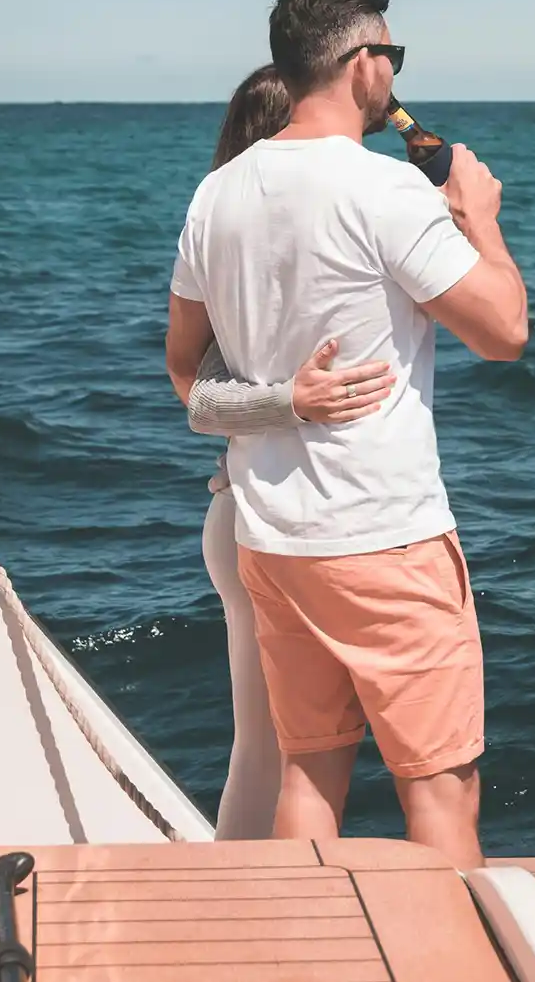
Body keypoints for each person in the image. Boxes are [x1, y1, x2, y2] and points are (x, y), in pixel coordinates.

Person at [165, 0, 528, 870]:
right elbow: (505, 330)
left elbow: (184, 364)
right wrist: (481, 222)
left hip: (274, 539)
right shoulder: (385, 191)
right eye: (392, 57)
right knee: (441, 790)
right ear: (365, 65)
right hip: (383, 538)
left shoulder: (217, 194)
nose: (394, 76)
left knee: (307, 776)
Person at [191, 62, 396, 840]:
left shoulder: (244, 249)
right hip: (259, 517)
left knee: (273, 750)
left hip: (249, 516)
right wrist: (292, 401)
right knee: (280, 752)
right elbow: (202, 401)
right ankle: (258, 923)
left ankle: (244, 918)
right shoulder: (240, 259)